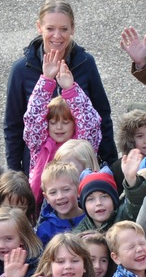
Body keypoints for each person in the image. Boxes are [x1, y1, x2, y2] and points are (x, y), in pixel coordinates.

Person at [5, 0, 116, 174]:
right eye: (50, 28)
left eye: (64, 29)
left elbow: (102, 115)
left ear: (73, 28)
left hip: (80, 166)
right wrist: (14, 173)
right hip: (40, 167)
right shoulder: (21, 69)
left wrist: (111, 162)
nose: (57, 36)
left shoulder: (86, 63)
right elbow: (13, 125)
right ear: (39, 27)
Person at [24, 50, 103, 202]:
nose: (58, 127)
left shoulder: (82, 145)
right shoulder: (39, 145)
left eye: (65, 122)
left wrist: (70, 89)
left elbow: (90, 123)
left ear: (75, 124)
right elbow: (32, 119)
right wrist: (46, 80)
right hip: (43, 205)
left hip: (80, 205)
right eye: (52, 123)